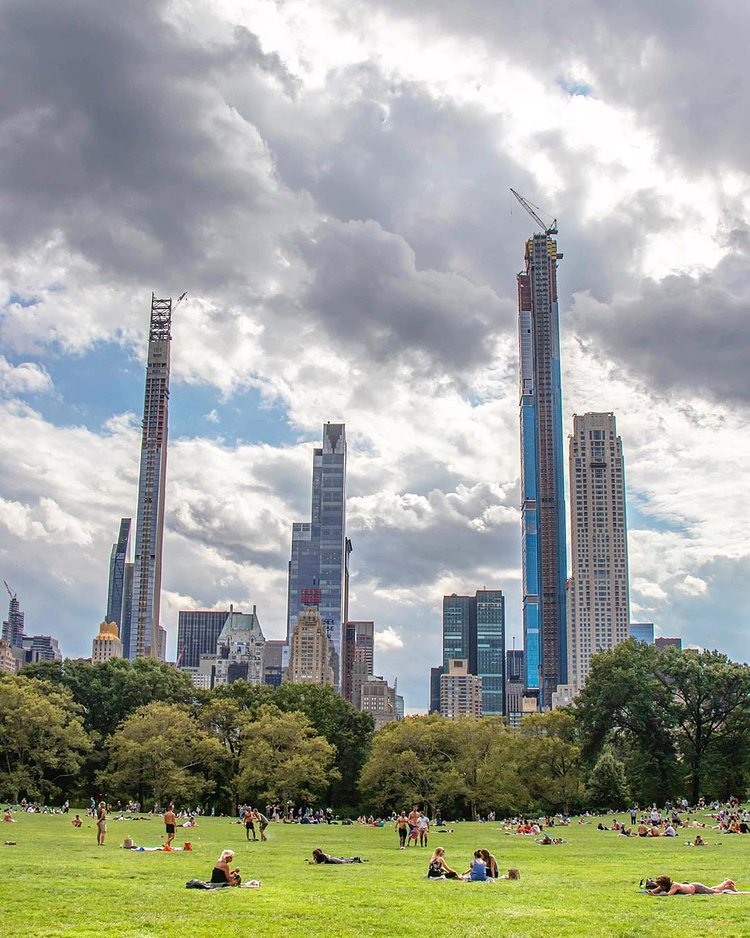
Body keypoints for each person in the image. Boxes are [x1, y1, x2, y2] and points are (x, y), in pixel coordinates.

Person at [649, 876, 739, 896]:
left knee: (716, 892)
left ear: (665, 884)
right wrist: (652, 892)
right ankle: (728, 886)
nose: (660, 887)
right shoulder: (663, 886)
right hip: (693, 887)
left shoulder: (674, 886)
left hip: (696, 887)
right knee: (711, 889)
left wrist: (655, 895)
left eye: (661, 885)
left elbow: (669, 894)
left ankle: (726, 883)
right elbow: (654, 891)